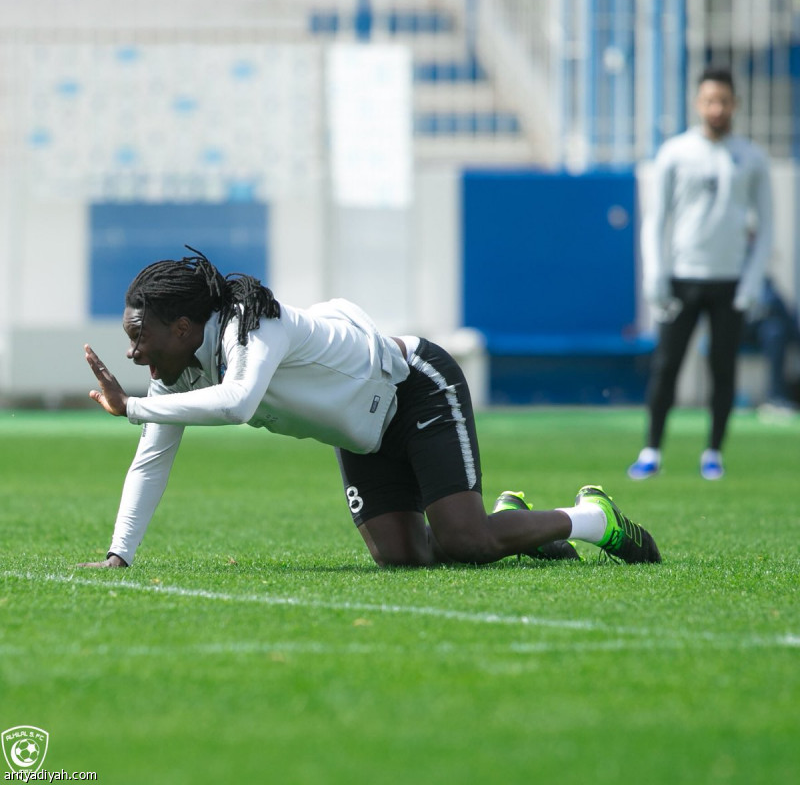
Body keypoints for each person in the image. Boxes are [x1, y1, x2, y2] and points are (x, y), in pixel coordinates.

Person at [79, 250, 661, 570]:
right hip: (364, 434)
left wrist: (129, 407)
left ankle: (592, 519)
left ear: (183, 328)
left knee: (463, 541)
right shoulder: (174, 374)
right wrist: (118, 556)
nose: (132, 351)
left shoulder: (253, 326)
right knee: (405, 559)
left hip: (416, 387)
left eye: (140, 336)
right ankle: (517, 523)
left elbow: (237, 404)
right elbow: (150, 463)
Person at [628, 67, 773, 481]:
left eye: (724, 101)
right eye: (710, 100)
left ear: (735, 105)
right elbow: (656, 218)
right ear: (698, 103)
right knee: (667, 366)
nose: (716, 108)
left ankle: (714, 452)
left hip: (729, 282)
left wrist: (751, 281)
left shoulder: (751, 157)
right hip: (682, 278)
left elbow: (767, 226)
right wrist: (654, 273)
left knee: (723, 369)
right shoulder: (676, 153)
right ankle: (651, 450)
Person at [742, 277, 800, 416]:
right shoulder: (732, 278)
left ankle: (776, 398)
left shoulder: (765, 283)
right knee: (777, 330)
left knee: (776, 332)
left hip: (765, 333)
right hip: (737, 331)